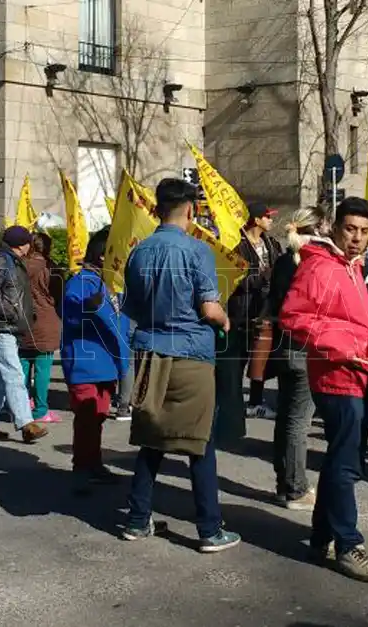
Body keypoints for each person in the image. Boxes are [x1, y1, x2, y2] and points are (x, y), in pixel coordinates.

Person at [120, 178, 239, 553]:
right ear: (191, 210)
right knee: (198, 444)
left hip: (149, 354)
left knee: (151, 441)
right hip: (191, 355)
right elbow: (208, 306)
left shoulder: (137, 253)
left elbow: (133, 309)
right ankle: (209, 529)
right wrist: (223, 319)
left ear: (157, 209)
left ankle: (137, 520)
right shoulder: (196, 251)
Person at [279, 197, 368, 582]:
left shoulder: (351, 267)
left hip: (360, 375)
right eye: (350, 229)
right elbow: (291, 316)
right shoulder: (319, 266)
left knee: (343, 458)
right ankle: (347, 544)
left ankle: (322, 534)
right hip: (335, 376)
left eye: (363, 231)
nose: (357, 238)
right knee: (345, 463)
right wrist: (340, 343)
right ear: (334, 228)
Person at [267, 206, 329, 512]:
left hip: (283, 346)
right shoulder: (314, 263)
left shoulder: (282, 262)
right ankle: (295, 488)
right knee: (298, 422)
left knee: (286, 419)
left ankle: (285, 483)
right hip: (305, 348)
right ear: (317, 228)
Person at [61, 228, 129, 493]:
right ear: (103, 256)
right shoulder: (81, 281)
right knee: (87, 417)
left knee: (98, 417)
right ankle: (82, 467)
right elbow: (71, 310)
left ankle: (94, 463)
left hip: (107, 362)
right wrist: (88, 305)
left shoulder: (111, 283)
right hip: (85, 362)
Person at [0, 226, 49, 443]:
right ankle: (25, 423)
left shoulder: (6, 259)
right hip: (1, 325)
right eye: (27, 242)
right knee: (14, 373)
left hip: (5, 324)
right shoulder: (2, 260)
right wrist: (12, 312)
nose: (29, 246)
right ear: (21, 244)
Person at [232, 202, 282, 421]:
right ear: (256, 219)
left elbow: (278, 268)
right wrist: (263, 278)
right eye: (268, 217)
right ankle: (232, 403)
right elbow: (235, 279)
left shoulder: (271, 243)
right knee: (239, 358)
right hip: (242, 310)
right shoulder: (237, 245)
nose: (271, 220)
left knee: (260, 358)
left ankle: (256, 401)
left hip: (264, 310)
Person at [19, 232, 63, 424]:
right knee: (43, 370)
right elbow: (59, 297)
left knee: (22, 367)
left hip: (22, 320)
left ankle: (20, 405)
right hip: (46, 321)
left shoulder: (18, 266)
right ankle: (41, 409)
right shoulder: (52, 268)